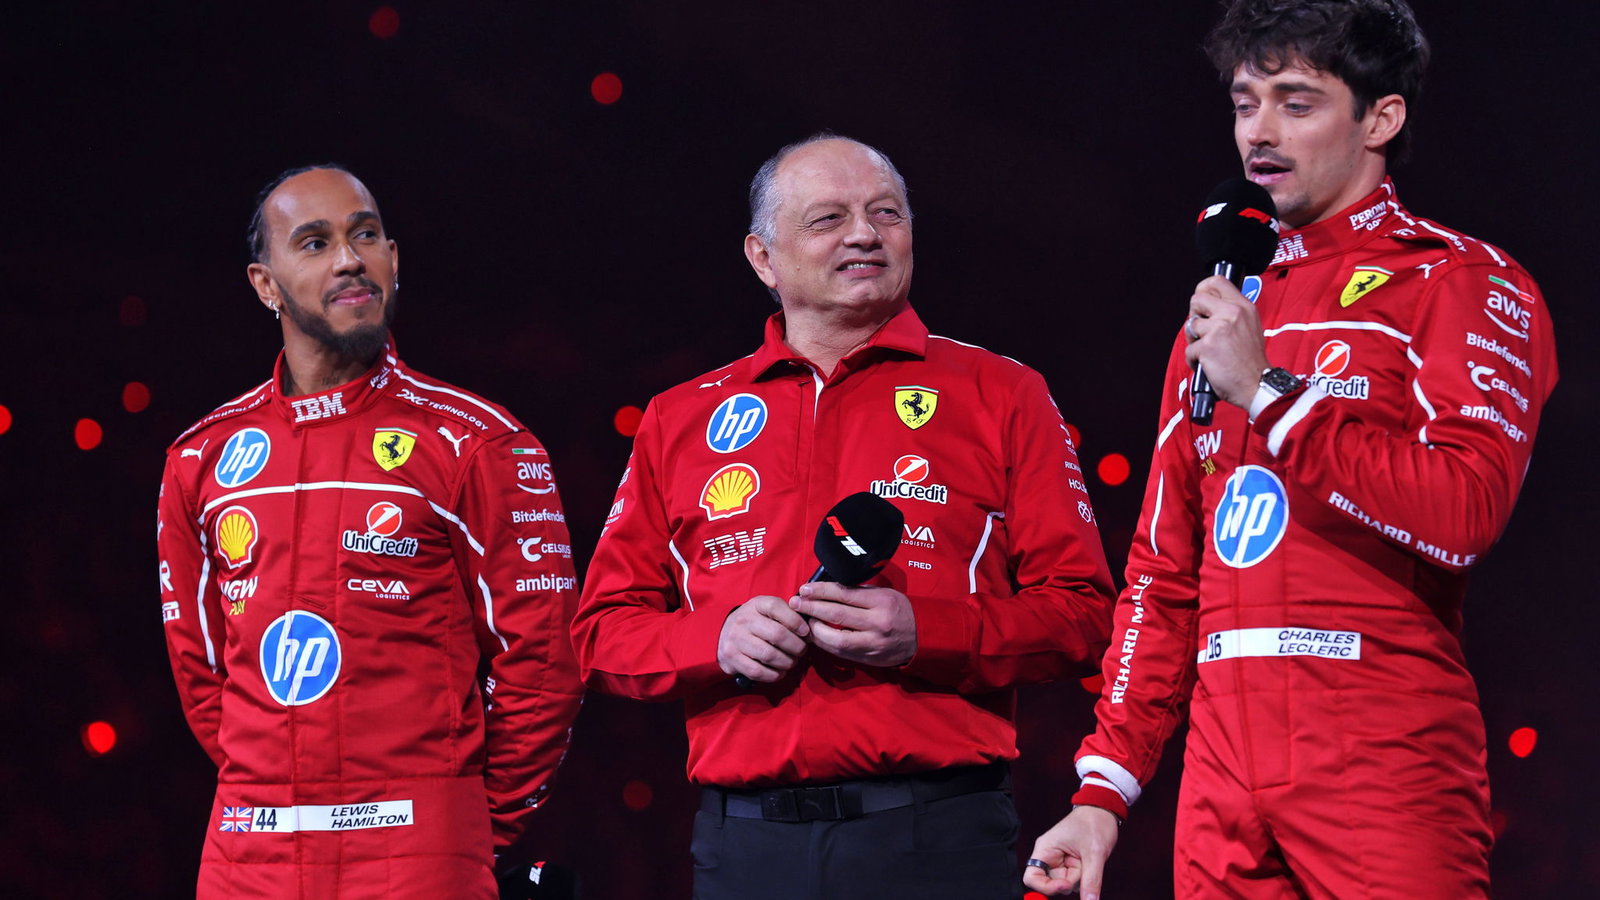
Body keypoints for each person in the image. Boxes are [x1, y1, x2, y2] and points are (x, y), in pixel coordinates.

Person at [1024, 2, 1558, 898]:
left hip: (1382, 748)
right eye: (1245, 104)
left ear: (1380, 119)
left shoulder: (1458, 280)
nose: (1258, 133)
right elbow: (1164, 573)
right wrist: (1103, 793)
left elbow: (1465, 512)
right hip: (1220, 770)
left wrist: (1268, 393)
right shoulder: (1220, 316)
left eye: (1296, 103)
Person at [571, 135, 1116, 900]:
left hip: (937, 835)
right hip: (743, 847)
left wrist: (928, 633)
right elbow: (601, 634)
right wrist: (713, 641)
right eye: (829, 218)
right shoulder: (679, 417)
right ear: (763, 257)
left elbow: (1085, 615)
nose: (865, 234)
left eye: (886, 214)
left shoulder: (1003, 393)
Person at [157, 165, 584, 898]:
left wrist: (463, 825)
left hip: (419, 854)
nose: (351, 259)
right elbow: (202, 676)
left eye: (366, 236)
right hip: (247, 858)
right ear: (265, 285)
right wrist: (266, 788)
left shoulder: (477, 443)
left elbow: (544, 663)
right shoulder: (200, 458)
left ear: (393, 258)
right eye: (315, 243)